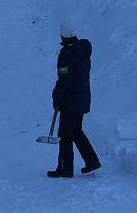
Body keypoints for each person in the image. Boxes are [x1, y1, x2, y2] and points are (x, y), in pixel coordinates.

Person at [48, 25, 101, 178]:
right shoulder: (83, 51)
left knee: (65, 134)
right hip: (82, 99)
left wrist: (57, 96)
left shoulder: (67, 55)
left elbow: (65, 79)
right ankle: (92, 161)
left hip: (70, 100)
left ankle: (65, 169)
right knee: (76, 131)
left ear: (63, 37)